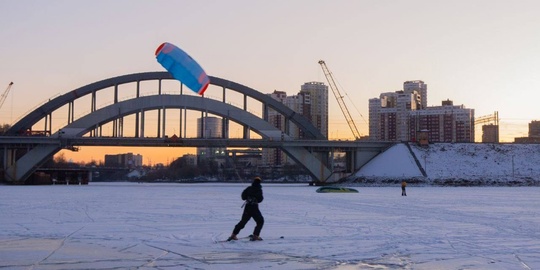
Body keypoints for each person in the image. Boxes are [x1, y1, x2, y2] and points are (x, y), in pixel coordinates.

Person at [228, 177, 265, 241]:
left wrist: (248, 197)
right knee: (260, 221)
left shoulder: (248, 188)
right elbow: (260, 199)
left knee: (242, 222)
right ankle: (255, 236)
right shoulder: (259, 189)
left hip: (247, 207)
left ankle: (233, 235)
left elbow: (243, 197)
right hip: (254, 208)